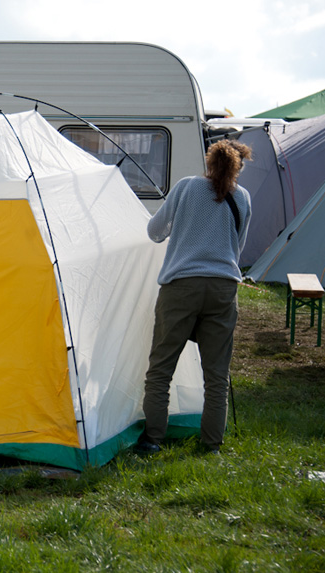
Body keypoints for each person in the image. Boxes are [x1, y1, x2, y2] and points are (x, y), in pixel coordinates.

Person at [135, 139, 252, 455]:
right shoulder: (242, 198)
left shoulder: (186, 187)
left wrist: (184, 228)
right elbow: (236, 246)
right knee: (217, 375)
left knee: (161, 369)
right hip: (223, 289)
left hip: (181, 286)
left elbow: (155, 232)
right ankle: (211, 445)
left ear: (209, 161)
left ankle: (153, 440)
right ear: (238, 167)